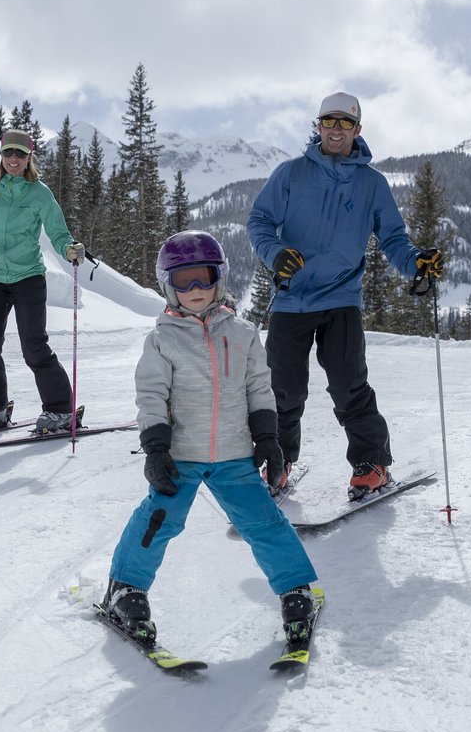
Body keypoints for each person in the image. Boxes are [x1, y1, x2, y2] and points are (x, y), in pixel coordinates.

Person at [101, 231, 321, 655]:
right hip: (181, 455)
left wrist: (268, 437)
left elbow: (259, 387)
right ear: (168, 285)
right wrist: (155, 448)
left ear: (220, 277)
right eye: (184, 280)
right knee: (158, 520)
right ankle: (125, 589)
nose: (196, 288)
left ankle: (295, 589)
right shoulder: (162, 339)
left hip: (235, 454)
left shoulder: (243, 333)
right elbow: (151, 395)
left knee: (264, 522)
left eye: (204, 276)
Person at [247, 92, 442, 499]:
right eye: (328, 121)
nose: (336, 130)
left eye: (345, 122)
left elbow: (393, 238)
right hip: (291, 298)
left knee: (349, 383)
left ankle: (372, 463)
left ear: (358, 128)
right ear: (318, 126)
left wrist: (416, 263)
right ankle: (277, 461)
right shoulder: (292, 173)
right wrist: (275, 253)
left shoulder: (372, 184)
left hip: (341, 299)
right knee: (282, 388)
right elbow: (260, 220)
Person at [0, 128, 84, 433]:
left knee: (34, 346)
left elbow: (58, 232)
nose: (14, 159)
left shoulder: (39, 193)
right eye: (8, 152)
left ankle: (61, 409)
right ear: (1, 155)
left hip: (29, 278)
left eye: (20, 154)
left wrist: (69, 248)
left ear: (29, 157)